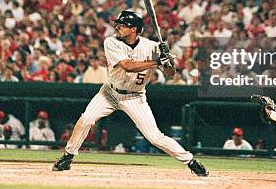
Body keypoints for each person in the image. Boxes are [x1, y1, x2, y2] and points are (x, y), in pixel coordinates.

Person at [52, 10, 208, 176]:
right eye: (118, 23)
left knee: (154, 136)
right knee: (86, 118)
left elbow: (171, 73)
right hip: (109, 93)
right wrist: (156, 61)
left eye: (122, 24)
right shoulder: (111, 42)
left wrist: (167, 59)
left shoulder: (152, 47)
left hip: (135, 96)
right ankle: (68, 156)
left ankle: (191, 161)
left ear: (134, 29)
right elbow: (127, 65)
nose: (118, 27)